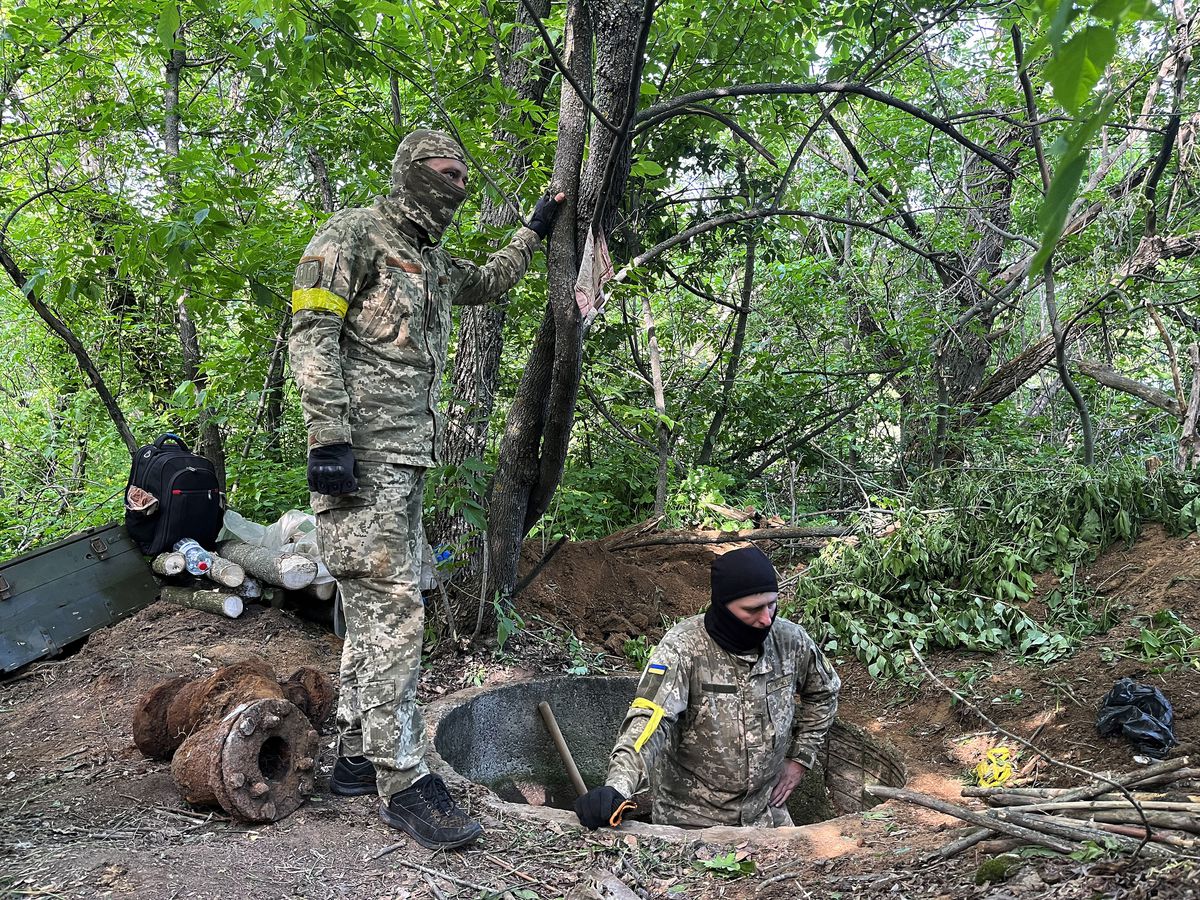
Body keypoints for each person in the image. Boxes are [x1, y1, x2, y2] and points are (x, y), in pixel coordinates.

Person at [288, 128, 562, 850]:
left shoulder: (433, 260)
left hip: (406, 463)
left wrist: (536, 227)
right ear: (409, 172)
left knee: (373, 612)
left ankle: (352, 755)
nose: (457, 186)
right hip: (358, 461)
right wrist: (330, 439)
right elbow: (311, 334)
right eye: (444, 173)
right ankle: (403, 780)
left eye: (464, 178)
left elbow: (494, 278)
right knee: (395, 616)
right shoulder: (354, 235)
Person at [574, 545, 840, 829]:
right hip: (691, 822)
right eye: (752, 609)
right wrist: (617, 787)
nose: (766, 619)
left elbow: (824, 692)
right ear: (723, 605)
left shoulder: (790, 641)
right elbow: (648, 721)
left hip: (767, 815)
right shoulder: (683, 649)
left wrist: (800, 758)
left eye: (772, 605)